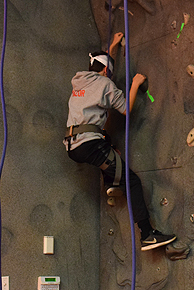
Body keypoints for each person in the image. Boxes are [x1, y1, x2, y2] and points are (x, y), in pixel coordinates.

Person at [65, 32, 176, 251]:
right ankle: (147, 234)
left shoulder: (80, 82)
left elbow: (103, 68)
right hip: (89, 143)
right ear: (106, 71)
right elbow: (125, 108)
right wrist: (135, 84)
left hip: (73, 144)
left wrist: (113, 45)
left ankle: (110, 183)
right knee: (132, 181)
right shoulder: (105, 84)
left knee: (109, 148)